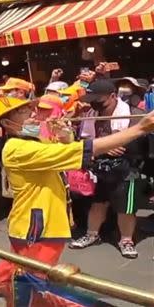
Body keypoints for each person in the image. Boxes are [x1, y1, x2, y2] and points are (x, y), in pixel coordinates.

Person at [0, 97, 154, 298]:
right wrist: (139, 129)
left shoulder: (31, 142)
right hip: (38, 228)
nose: (33, 114)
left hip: (36, 223)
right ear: (8, 124)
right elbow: (81, 151)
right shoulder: (18, 148)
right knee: (32, 284)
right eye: (23, 112)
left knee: (22, 269)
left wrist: (65, 135)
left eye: (30, 109)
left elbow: (65, 150)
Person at [68, 79, 149, 259]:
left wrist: (120, 145)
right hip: (100, 167)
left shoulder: (134, 115)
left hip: (127, 169)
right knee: (98, 204)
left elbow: (143, 145)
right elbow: (84, 140)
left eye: (99, 99)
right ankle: (91, 234)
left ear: (113, 96)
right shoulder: (91, 113)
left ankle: (126, 240)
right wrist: (103, 148)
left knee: (125, 208)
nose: (95, 103)